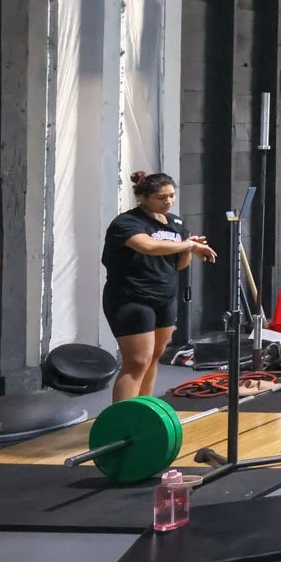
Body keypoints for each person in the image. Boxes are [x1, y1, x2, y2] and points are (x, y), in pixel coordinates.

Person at [103, 171, 216, 402]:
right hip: (131, 298)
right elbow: (149, 247)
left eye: (172, 196)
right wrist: (188, 245)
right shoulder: (126, 223)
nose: (168, 201)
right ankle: (121, 418)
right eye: (161, 197)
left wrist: (187, 249)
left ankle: (145, 409)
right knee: (137, 361)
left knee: (154, 357)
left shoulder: (176, 223)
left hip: (165, 297)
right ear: (143, 198)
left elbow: (180, 266)